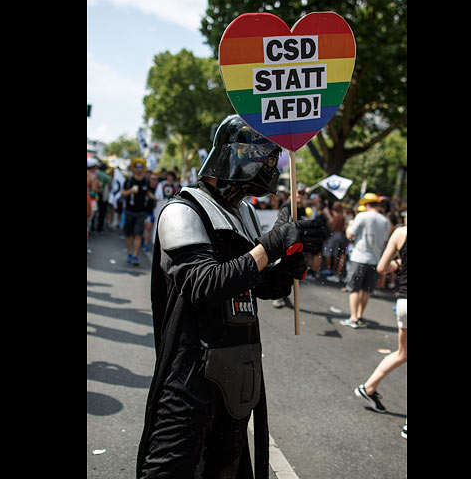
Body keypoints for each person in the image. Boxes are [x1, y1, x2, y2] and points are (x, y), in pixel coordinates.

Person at [136, 115, 328, 479]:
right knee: (170, 470)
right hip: (190, 373)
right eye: (267, 159)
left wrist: (292, 260)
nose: (272, 168)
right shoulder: (182, 210)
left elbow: (260, 286)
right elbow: (203, 286)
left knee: (227, 469)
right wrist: (271, 245)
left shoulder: (244, 213)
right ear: (241, 154)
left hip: (239, 368)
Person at [354, 213, 406, 422]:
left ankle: (369, 387)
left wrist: (399, 263)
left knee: (403, 353)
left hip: (403, 302)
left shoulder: (400, 233)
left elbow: (383, 267)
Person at [339, 193, 390, 328]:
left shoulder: (362, 216)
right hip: (375, 259)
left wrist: (349, 224)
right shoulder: (385, 221)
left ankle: (354, 318)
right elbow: (384, 242)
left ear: (367, 204)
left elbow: (350, 235)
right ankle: (360, 316)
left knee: (354, 288)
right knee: (366, 290)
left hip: (359, 257)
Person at [121, 158, 153, 265]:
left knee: (138, 234)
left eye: (141, 167)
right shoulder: (129, 181)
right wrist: (130, 191)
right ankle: (129, 253)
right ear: (134, 168)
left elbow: (149, 194)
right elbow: (122, 194)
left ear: (143, 169)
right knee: (129, 234)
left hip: (141, 212)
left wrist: (157, 198)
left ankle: (135, 256)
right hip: (130, 211)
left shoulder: (146, 181)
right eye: (137, 167)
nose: (139, 169)